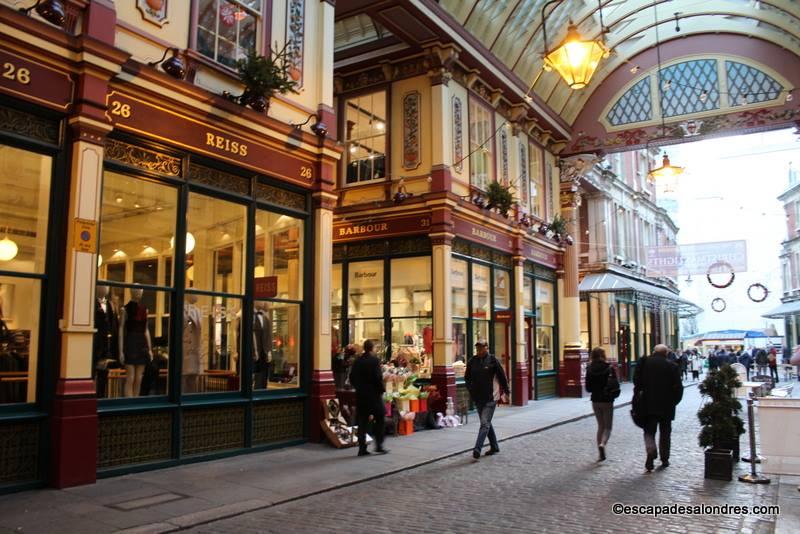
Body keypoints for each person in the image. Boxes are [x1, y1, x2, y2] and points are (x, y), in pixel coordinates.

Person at [633, 344, 683, 472]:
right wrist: (674, 402)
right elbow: (678, 388)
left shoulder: (644, 363)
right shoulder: (672, 366)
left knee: (649, 430)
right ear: (666, 353)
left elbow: (636, 381)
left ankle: (650, 450)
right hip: (667, 405)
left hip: (648, 403)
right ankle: (665, 458)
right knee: (665, 432)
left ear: (654, 352)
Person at [465, 339, 509, 460]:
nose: (478, 350)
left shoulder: (493, 360)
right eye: (477, 348)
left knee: (484, 424)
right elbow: (467, 378)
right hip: (478, 398)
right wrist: (471, 390)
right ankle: (494, 446)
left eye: (481, 348)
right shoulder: (472, 361)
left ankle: (477, 449)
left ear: (487, 348)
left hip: (491, 397)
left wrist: (506, 391)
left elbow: (502, 376)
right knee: (486, 423)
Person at [349, 339, 388, 456]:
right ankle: (379, 445)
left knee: (362, 421)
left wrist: (358, 388)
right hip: (374, 395)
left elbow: (352, 377)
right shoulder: (374, 361)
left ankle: (362, 448)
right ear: (372, 348)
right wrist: (381, 390)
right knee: (380, 418)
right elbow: (377, 377)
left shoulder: (357, 361)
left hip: (361, 395)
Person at [584, 347, 618, 461]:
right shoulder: (609, 367)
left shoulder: (589, 369)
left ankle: (600, 454)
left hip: (595, 400)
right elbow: (615, 384)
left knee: (600, 426)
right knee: (608, 427)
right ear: (603, 355)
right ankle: (602, 444)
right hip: (607, 400)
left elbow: (588, 388)